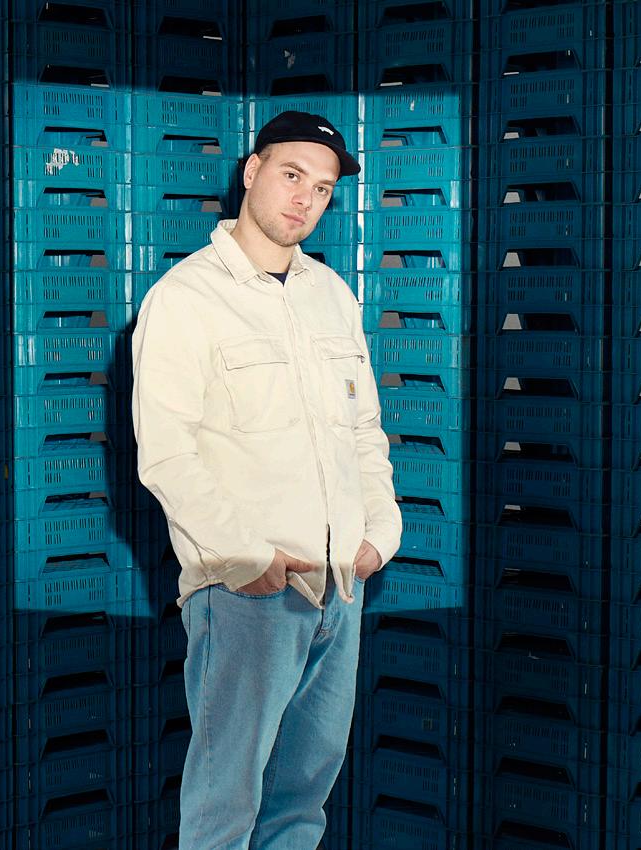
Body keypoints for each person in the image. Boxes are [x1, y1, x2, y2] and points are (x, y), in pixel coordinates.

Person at [131, 111, 402, 849]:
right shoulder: (186, 298)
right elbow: (166, 454)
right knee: (225, 805)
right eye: (291, 175)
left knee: (302, 800)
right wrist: (246, 558)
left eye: (323, 188)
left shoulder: (331, 295)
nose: (305, 198)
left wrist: (379, 533)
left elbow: (363, 430)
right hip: (248, 595)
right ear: (251, 172)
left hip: (338, 589)